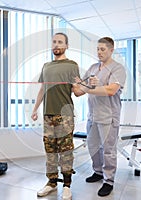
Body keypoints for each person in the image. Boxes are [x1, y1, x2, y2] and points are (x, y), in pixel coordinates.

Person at [31, 32, 82, 200]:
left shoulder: (72, 65)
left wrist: (87, 87)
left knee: (66, 152)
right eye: (54, 42)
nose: (56, 45)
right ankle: (51, 183)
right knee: (50, 151)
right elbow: (42, 90)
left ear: (66, 46)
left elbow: (77, 91)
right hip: (48, 116)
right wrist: (35, 109)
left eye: (60, 42)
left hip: (65, 116)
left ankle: (67, 185)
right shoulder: (46, 66)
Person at [74, 37, 126, 197]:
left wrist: (89, 88)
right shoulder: (92, 68)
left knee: (108, 151)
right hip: (93, 116)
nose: (99, 52)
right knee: (92, 146)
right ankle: (97, 172)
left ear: (111, 50)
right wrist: (73, 84)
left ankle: (108, 180)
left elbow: (111, 90)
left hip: (109, 117)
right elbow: (78, 91)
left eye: (103, 49)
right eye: (98, 49)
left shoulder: (117, 69)